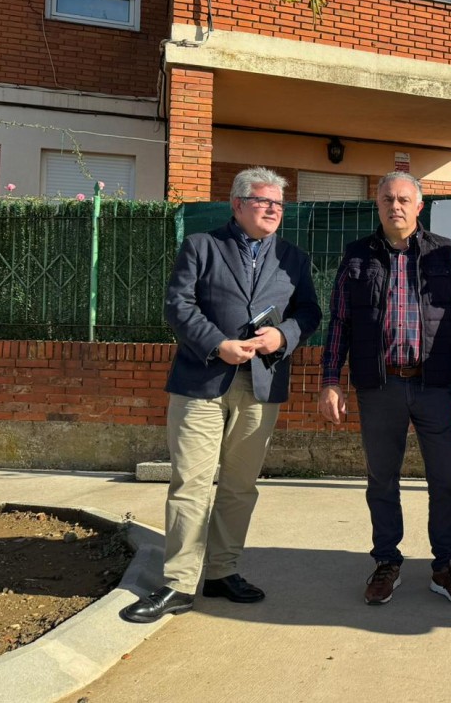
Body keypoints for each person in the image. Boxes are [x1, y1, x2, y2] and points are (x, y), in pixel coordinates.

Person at [122, 167, 321, 623]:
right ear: (237, 204)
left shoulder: (294, 257)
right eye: (263, 201)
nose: (273, 209)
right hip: (202, 382)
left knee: (239, 487)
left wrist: (284, 335)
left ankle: (221, 571)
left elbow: (310, 311)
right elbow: (179, 304)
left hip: (262, 383)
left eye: (278, 204)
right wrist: (217, 344)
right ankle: (178, 583)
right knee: (191, 484)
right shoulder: (201, 246)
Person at [318, 172, 451, 608]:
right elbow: (340, 323)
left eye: (405, 199)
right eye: (388, 199)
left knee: (446, 479)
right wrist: (330, 379)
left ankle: (446, 565)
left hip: (432, 385)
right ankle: (387, 562)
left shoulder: (442, 252)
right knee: (382, 481)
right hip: (380, 386)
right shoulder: (357, 255)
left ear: (419, 206)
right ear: (378, 204)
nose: (396, 206)